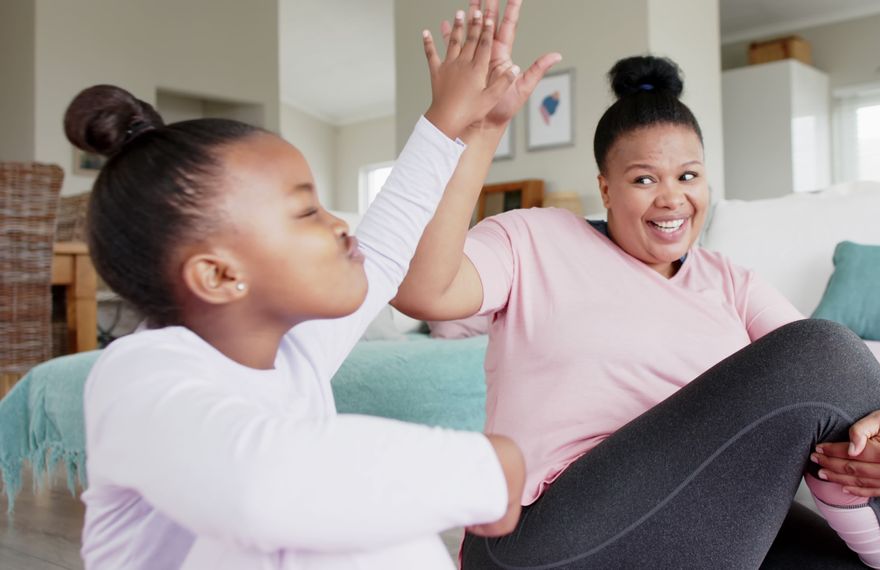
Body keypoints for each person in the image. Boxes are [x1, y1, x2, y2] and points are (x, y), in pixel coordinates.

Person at [393, 55, 880, 568]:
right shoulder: (533, 237)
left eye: (688, 175)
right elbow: (425, 292)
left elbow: (844, 382)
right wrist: (479, 131)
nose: (672, 198)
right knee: (823, 348)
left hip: (687, 520)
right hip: (542, 535)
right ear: (605, 188)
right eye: (644, 179)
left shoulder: (728, 279)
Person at [70, 3, 559, 568]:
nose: (338, 226)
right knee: (340, 515)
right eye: (306, 213)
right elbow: (262, 485)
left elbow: (385, 245)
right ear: (220, 274)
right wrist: (485, 467)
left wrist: (450, 123)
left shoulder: (294, 351)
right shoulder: (138, 376)